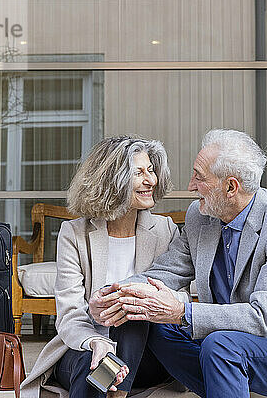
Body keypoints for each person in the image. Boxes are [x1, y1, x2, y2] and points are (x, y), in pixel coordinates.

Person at [90, 129, 267, 398]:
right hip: (225, 346)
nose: (191, 185)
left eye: (200, 177)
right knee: (145, 313)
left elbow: (262, 318)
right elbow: (167, 271)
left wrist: (182, 311)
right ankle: (116, 392)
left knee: (220, 345)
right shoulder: (201, 216)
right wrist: (114, 294)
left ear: (230, 187)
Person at [21, 136, 189, 398]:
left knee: (133, 303)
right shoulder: (74, 234)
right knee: (96, 366)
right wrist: (97, 341)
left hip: (146, 355)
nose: (151, 180)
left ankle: (116, 390)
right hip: (84, 347)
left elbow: (181, 297)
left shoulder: (165, 230)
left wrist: (140, 299)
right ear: (113, 180)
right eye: (139, 173)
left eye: (151, 170)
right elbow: (69, 315)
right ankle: (114, 388)